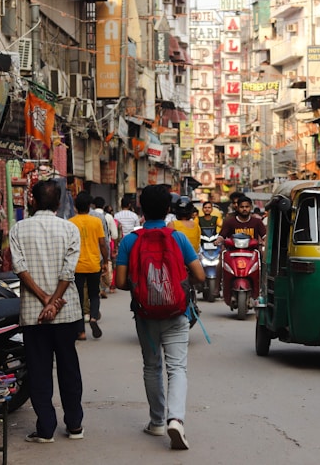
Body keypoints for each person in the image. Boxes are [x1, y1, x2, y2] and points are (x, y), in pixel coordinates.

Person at [115, 184, 205, 450]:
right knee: (177, 368)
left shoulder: (130, 240)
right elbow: (200, 276)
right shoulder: (177, 238)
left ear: (141, 209)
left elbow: (120, 282)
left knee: (152, 366)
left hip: (145, 315)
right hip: (177, 313)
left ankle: (156, 422)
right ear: (168, 210)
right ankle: (175, 419)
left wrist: (143, 285)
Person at [9, 180, 85, 443]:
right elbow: (69, 270)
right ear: (58, 202)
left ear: (33, 200)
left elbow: (19, 267)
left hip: (34, 313)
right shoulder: (69, 229)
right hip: (66, 312)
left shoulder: (18, 229)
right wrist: (54, 301)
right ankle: (75, 425)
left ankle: (46, 429)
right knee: (69, 368)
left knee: (39, 370)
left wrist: (44, 300)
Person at [70, 192, 109, 340]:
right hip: (94, 264)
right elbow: (102, 244)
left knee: (78, 299)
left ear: (75, 207)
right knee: (94, 294)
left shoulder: (70, 222)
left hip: (76, 266)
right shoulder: (96, 222)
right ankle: (93, 318)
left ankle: (81, 332)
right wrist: (105, 261)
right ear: (89, 206)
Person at [93, 196, 118, 298]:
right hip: (103, 244)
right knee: (104, 266)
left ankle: (97, 288)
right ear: (104, 205)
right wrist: (113, 248)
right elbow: (114, 235)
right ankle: (102, 288)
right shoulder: (108, 217)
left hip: (91, 245)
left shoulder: (89, 215)